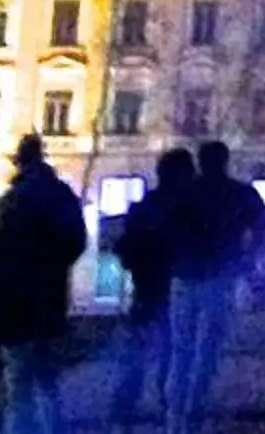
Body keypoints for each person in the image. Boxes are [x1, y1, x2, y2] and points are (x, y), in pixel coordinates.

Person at [0, 134, 88, 434]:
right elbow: (76, 242)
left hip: (14, 306)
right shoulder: (61, 195)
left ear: (21, 162)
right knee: (48, 381)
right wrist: (52, 268)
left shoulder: (12, 200)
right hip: (50, 301)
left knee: (19, 387)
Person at [162, 140, 265, 434]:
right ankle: (194, 415)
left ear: (200, 161)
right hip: (220, 278)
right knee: (207, 350)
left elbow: (165, 230)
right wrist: (247, 260)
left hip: (184, 277)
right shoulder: (240, 194)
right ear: (225, 161)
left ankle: (175, 419)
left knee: (181, 350)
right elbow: (262, 228)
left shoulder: (185, 193)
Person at [107, 147, 193, 432]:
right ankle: (169, 416)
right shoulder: (188, 212)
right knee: (173, 360)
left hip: (145, 291)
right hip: (176, 295)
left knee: (136, 360)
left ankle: (124, 416)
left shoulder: (144, 208)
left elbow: (125, 248)